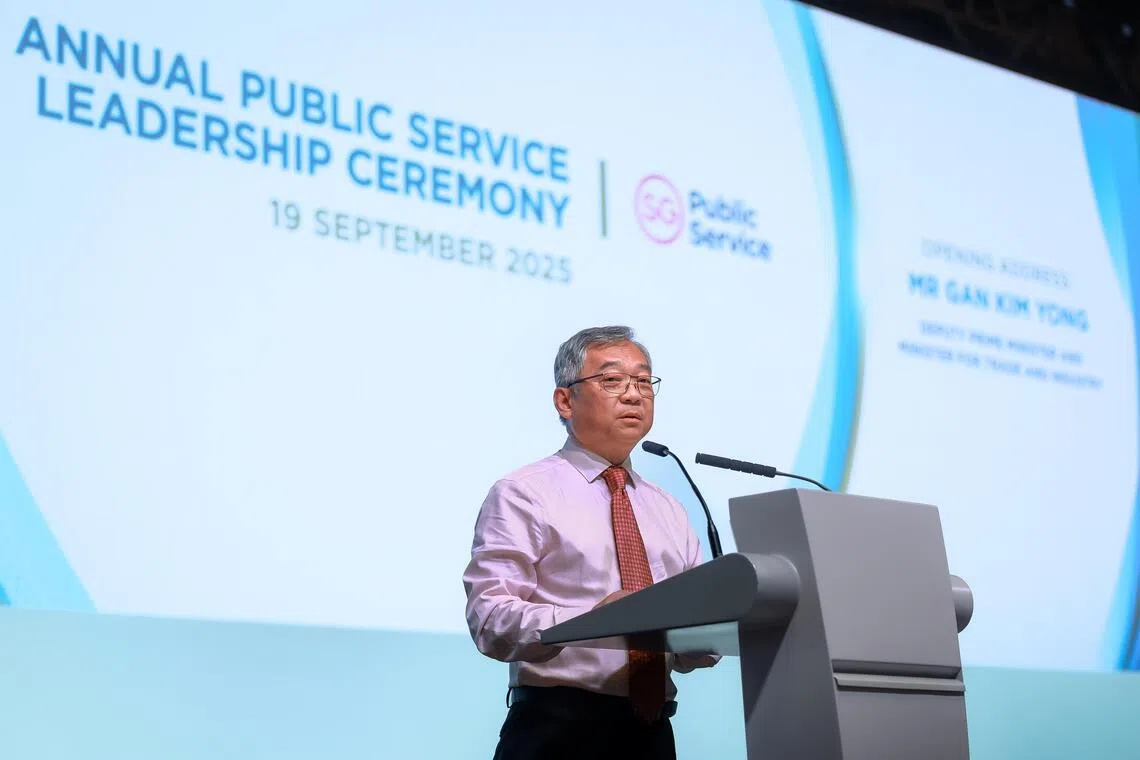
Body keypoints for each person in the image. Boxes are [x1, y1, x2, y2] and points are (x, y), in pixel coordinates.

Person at [462, 325, 718, 760]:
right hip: (557, 730)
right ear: (565, 400)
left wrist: (717, 623)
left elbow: (700, 648)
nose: (634, 395)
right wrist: (591, 621)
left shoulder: (669, 508)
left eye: (644, 381)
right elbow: (490, 620)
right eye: (613, 380)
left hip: (653, 735)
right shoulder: (525, 492)